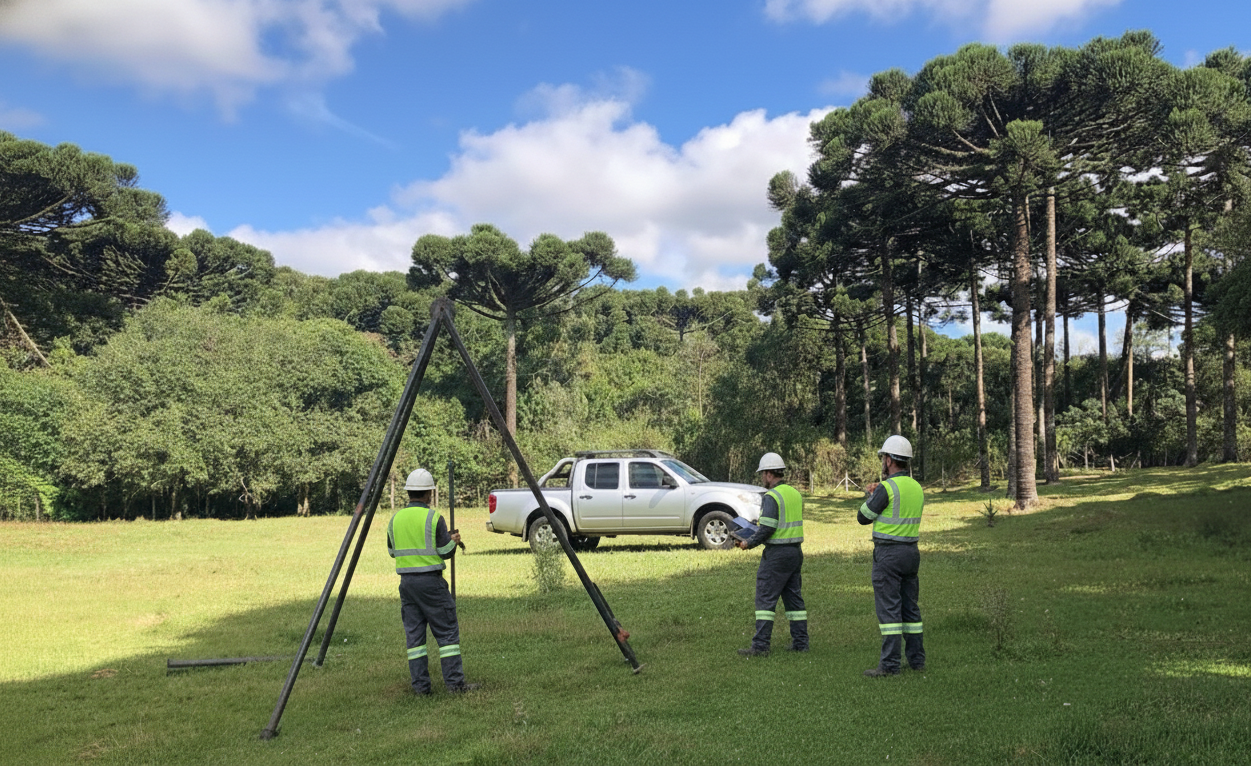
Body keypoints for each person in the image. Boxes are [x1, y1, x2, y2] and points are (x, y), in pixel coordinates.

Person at [387, 467, 479, 695]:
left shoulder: (395, 519)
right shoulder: (434, 518)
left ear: (408, 492)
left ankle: (421, 688)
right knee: (447, 633)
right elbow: (445, 552)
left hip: (407, 585)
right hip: (431, 583)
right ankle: (455, 685)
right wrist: (453, 540)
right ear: (429, 493)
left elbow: (392, 551)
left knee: (415, 638)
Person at [858, 435, 925, 677]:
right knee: (910, 609)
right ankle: (917, 660)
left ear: (888, 460)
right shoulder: (916, 487)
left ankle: (889, 666)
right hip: (911, 552)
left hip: (888, 554)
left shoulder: (886, 488)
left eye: (884, 458)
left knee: (889, 611)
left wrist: (871, 495)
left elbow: (863, 517)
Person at [735, 452, 807, 656]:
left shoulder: (771, 497)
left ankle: (760, 646)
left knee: (765, 599)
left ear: (768, 473)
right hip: (795, 552)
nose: (762, 478)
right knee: (794, 600)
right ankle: (801, 643)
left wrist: (748, 542)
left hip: (776, 554)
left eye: (762, 474)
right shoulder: (795, 494)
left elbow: (767, 528)